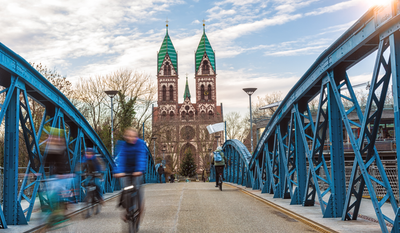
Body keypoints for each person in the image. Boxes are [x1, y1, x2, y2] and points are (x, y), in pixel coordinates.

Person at [114, 127, 147, 222]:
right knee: (126, 189)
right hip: (126, 170)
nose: (131, 138)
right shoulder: (123, 145)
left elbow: (141, 157)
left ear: (136, 136)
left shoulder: (140, 144)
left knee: (137, 187)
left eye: (133, 136)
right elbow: (121, 158)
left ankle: (139, 208)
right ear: (125, 137)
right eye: (129, 136)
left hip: (137, 170)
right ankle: (127, 210)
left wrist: (139, 170)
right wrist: (119, 171)